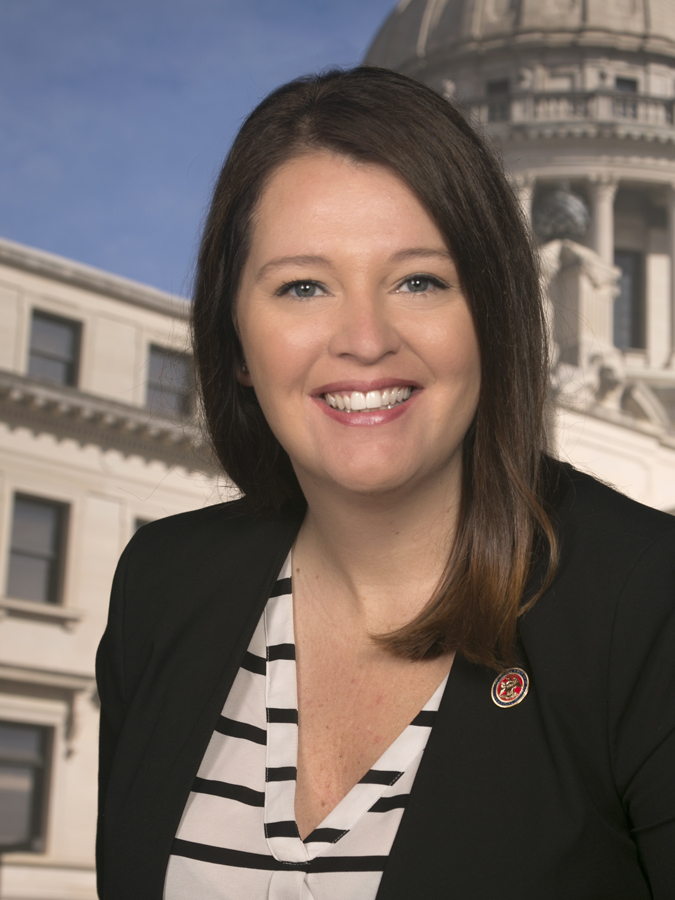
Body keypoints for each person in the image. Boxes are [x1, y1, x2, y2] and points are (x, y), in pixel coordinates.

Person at [95, 67, 675, 900]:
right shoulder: (163, 586)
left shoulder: (646, 600)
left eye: (419, 281)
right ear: (232, 339)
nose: (363, 340)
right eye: (302, 286)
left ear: (498, 312)